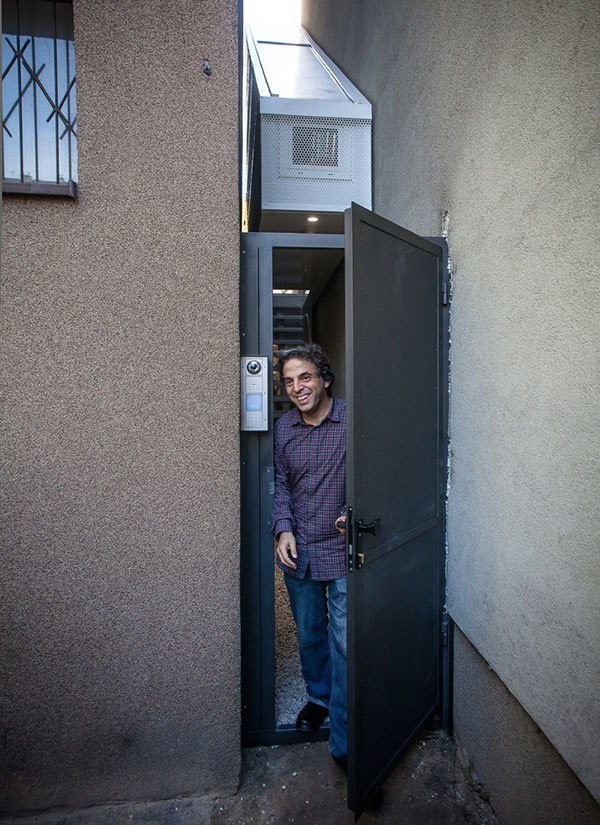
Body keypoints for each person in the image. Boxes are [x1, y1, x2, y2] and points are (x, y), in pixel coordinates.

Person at [272, 343, 347, 767]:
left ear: (324, 379)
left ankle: (346, 737)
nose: (297, 387)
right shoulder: (285, 430)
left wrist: (347, 513)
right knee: (309, 635)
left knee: (343, 641)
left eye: (305, 377)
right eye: (289, 381)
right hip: (299, 552)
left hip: (341, 550)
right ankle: (318, 697)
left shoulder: (351, 419)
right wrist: (282, 529)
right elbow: (281, 484)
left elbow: (369, 477)